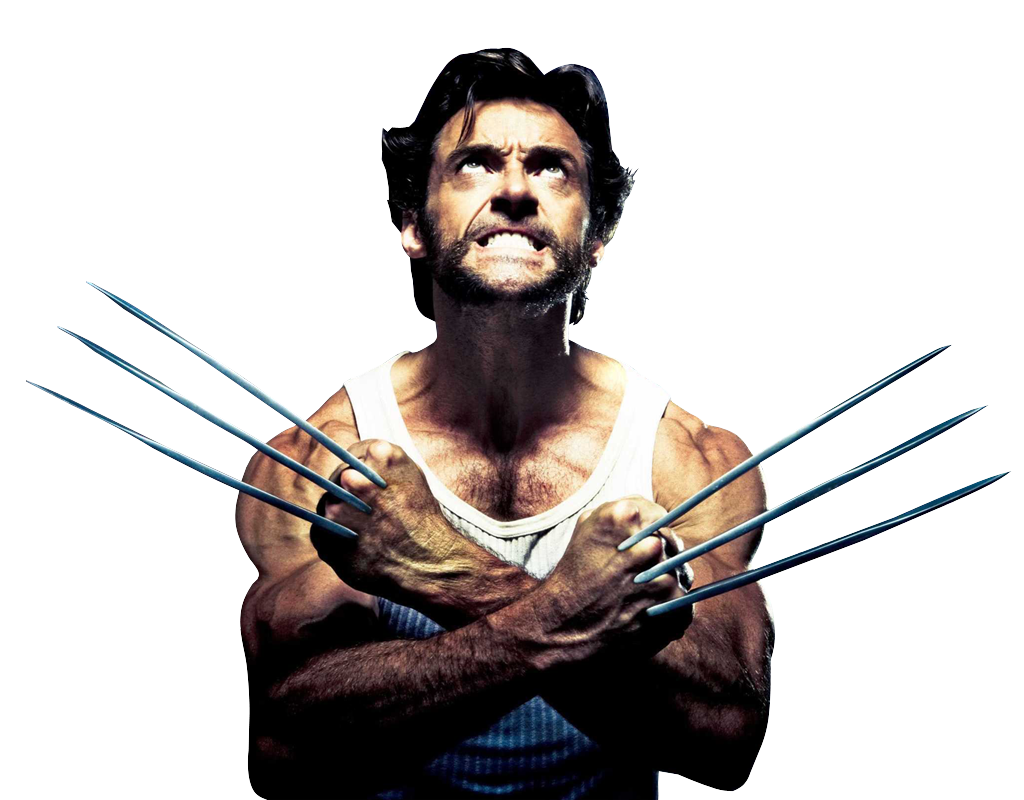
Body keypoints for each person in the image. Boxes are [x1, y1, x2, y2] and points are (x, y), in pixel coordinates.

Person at [237, 48, 774, 799]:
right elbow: (286, 747)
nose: (516, 190)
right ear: (411, 221)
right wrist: (573, 613)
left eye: (552, 169)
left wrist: (437, 567)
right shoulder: (318, 459)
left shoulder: (684, 460)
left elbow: (725, 734)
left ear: (597, 234)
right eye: (476, 165)